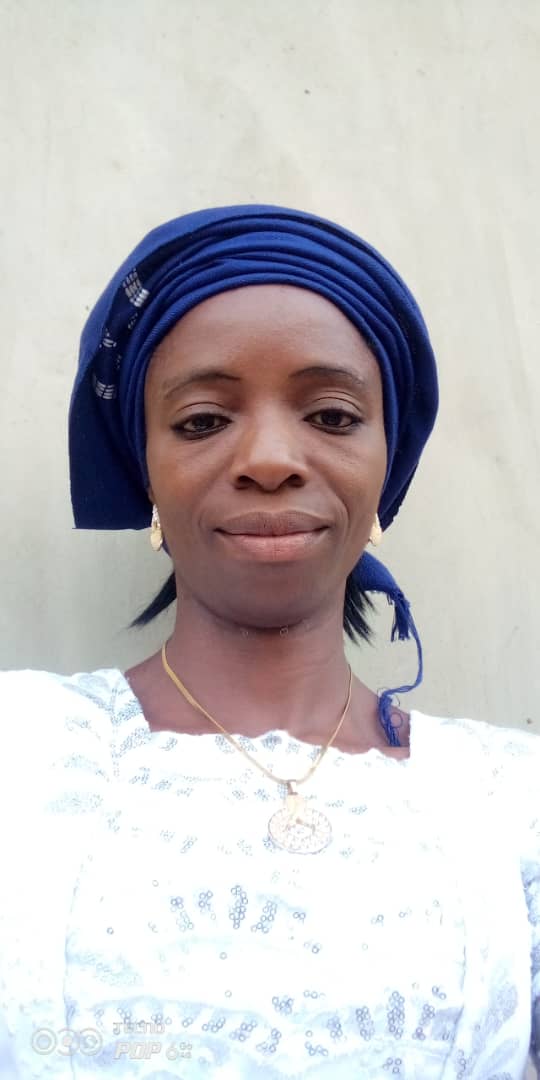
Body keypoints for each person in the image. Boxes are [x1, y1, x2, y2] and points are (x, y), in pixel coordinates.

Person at [0, 205, 538, 1080]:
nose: (270, 458)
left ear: (386, 464)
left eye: (331, 415)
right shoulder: (20, 755)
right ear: (145, 469)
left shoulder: (512, 805)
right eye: (202, 420)